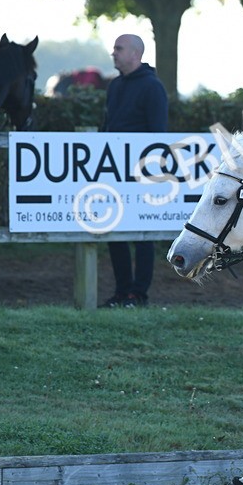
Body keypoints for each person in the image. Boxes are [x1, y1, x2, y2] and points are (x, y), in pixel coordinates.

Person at [99, 33, 168, 308]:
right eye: (114, 48)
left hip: (142, 176)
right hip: (114, 173)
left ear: (135, 54)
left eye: (119, 48)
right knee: (113, 231)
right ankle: (121, 291)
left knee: (142, 235)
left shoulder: (153, 87)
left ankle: (138, 294)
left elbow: (158, 134)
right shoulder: (115, 86)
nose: (113, 53)